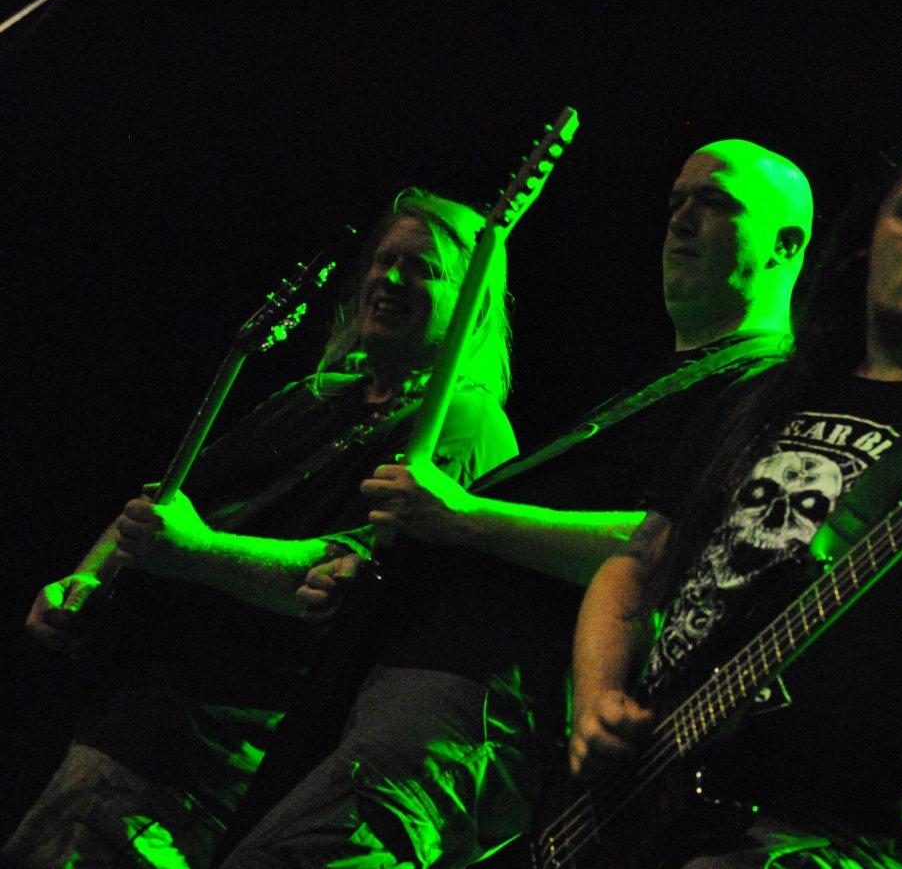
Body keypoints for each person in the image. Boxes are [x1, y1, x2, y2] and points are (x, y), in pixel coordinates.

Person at [215, 140, 814, 869]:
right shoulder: (666, 382)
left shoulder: (767, 387)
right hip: (420, 687)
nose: (681, 219)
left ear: (787, 244)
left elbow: (677, 546)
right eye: (675, 201)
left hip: (480, 700)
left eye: (715, 202)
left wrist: (463, 517)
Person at [567, 122, 902, 868]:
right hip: (644, 805)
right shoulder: (765, 395)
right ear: (865, 241)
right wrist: (597, 699)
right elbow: (636, 563)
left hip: (827, 837)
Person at [5, 188, 515, 869]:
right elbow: (163, 502)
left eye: (422, 268)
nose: (389, 278)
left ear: (472, 302)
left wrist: (197, 550)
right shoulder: (313, 396)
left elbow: (344, 573)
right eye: (383, 259)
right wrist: (86, 578)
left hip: (215, 752)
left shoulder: (464, 422)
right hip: (128, 715)